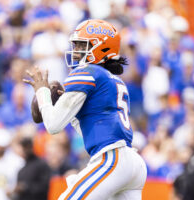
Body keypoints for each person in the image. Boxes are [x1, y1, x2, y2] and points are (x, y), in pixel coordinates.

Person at [24, 19, 147, 200]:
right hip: (132, 163)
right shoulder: (114, 80)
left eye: (82, 45)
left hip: (112, 159)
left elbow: (53, 125)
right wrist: (71, 112)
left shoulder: (88, 72)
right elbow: (89, 126)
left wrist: (42, 92)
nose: (76, 51)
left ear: (101, 48)